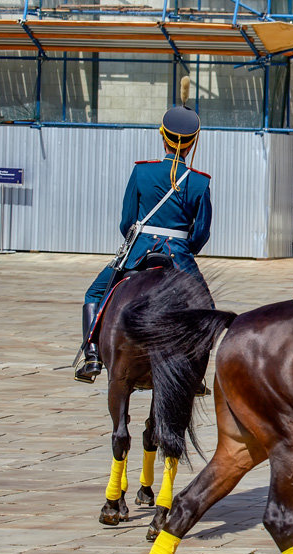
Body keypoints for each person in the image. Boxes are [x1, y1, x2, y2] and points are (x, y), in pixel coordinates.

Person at [75, 100, 211, 383]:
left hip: (138, 251)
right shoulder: (199, 182)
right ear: (190, 144)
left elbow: (126, 221)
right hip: (179, 256)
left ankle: (92, 356)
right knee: (206, 309)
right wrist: (186, 250)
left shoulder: (142, 171)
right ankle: (195, 376)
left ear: (163, 136)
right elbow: (201, 233)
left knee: (94, 294)